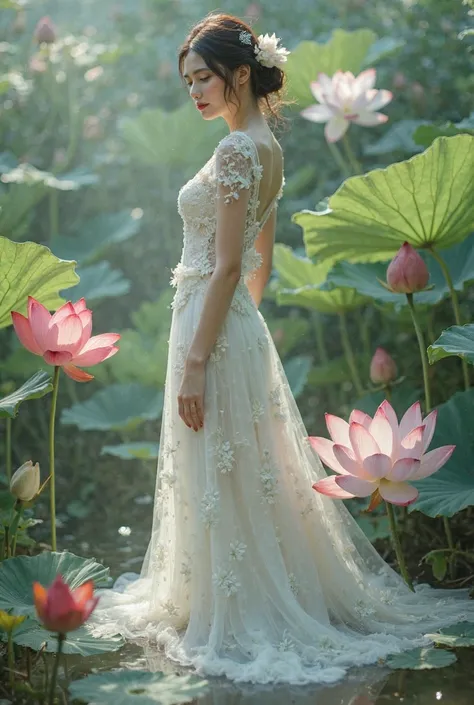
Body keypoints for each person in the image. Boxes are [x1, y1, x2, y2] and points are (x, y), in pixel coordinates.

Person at [89, 12, 474, 685]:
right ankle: (226, 588)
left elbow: (233, 264)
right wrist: (239, 332)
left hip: (213, 327)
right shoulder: (264, 145)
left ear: (241, 73)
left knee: (225, 467)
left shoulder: (239, 151)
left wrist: (204, 357)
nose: (194, 92)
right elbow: (261, 261)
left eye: (203, 77)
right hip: (231, 325)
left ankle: (235, 603)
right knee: (236, 470)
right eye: (187, 82)